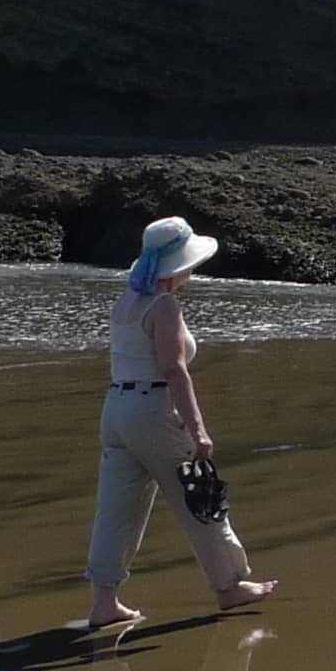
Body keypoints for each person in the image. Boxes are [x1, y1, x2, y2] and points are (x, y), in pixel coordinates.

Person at [85, 216, 276, 631]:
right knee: (199, 498)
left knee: (116, 509)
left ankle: (105, 602)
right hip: (153, 411)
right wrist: (198, 429)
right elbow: (174, 370)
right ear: (177, 264)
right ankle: (230, 586)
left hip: (116, 410)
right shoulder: (163, 305)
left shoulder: (126, 302)